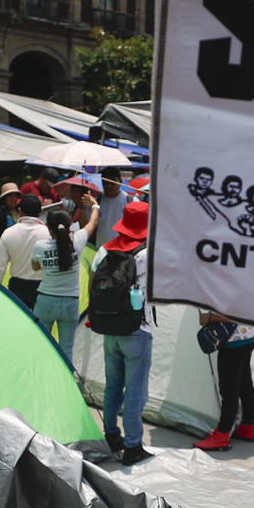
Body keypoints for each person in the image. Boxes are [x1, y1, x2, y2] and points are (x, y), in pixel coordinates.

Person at [88, 199, 153, 464]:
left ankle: (111, 434)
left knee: (113, 386)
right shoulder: (146, 254)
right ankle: (133, 446)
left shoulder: (103, 251)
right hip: (138, 329)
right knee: (135, 392)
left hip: (109, 330)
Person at [31, 204, 95, 367]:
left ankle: (42, 375)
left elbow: (35, 267)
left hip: (46, 300)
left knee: (41, 343)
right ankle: (66, 381)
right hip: (70, 302)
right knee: (67, 347)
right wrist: (94, 204)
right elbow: (92, 223)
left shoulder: (40, 246)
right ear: (68, 227)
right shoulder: (77, 241)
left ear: (48, 228)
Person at [195, 317, 254, 451]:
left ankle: (222, 435)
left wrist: (210, 317)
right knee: (244, 384)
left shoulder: (229, 294)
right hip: (247, 336)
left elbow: (230, 313)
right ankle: (247, 427)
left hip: (232, 342)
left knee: (229, 391)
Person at [0, 194, 49, 308]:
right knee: (40, 324)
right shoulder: (48, 233)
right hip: (43, 286)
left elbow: (0, 267)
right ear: (40, 212)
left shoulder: (8, 233)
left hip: (17, 287)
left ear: (20, 211)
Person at [95, 172, 128, 247]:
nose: (109, 186)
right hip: (101, 250)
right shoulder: (96, 202)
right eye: (105, 183)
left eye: (112, 182)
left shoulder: (130, 201)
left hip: (123, 250)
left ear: (120, 182)